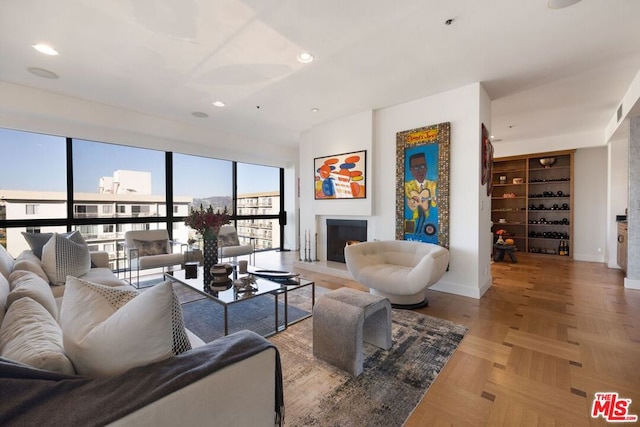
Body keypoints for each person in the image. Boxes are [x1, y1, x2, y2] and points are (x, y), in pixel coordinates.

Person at [405, 152, 437, 224]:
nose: (420, 170)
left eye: (422, 166)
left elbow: (434, 204)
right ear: (411, 170)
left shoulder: (433, 185)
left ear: (426, 167)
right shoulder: (406, 186)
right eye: (416, 167)